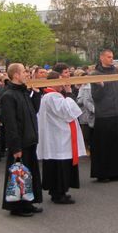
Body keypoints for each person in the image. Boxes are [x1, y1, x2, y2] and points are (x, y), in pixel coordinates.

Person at [0, 63, 43, 217]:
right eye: (24, 71)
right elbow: (11, 124)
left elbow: (34, 111)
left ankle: (28, 202)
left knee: (28, 174)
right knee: (18, 175)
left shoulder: (24, 92)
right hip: (20, 142)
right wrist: (15, 147)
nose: (27, 74)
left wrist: (36, 94)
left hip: (29, 139)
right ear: (16, 75)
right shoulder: (8, 95)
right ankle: (17, 206)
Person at [37, 71, 87, 204]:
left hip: (59, 135)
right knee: (60, 165)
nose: (63, 84)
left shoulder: (52, 95)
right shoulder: (52, 96)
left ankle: (58, 191)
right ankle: (59, 193)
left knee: (59, 165)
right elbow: (67, 112)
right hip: (59, 137)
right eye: (60, 81)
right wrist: (69, 93)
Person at [90, 49, 118, 182]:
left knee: (116, 144)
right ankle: (103, 173)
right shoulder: (96, 74)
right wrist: (100, 86)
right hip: (104, 114)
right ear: (101, 58)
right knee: (103, 145)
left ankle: (115, 171)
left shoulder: (116, 71)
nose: (111, 59)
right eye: (109, 57)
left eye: (112, 57)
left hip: (117, 112)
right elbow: (95, 96)